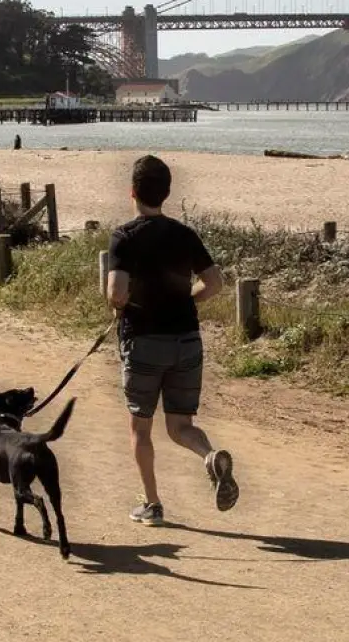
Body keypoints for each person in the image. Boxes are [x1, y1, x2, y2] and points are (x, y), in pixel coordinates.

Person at [105, 155, 239, 526]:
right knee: (181, 425)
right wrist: (186, 298)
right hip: (186, 341)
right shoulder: (185, 234)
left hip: (144, 341)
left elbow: (116, 292)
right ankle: (209, 456)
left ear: (132, 192)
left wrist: (121, 305)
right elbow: (214, 284)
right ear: (167, 193)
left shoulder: (124, 237)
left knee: (141, 426)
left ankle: (153, 504)